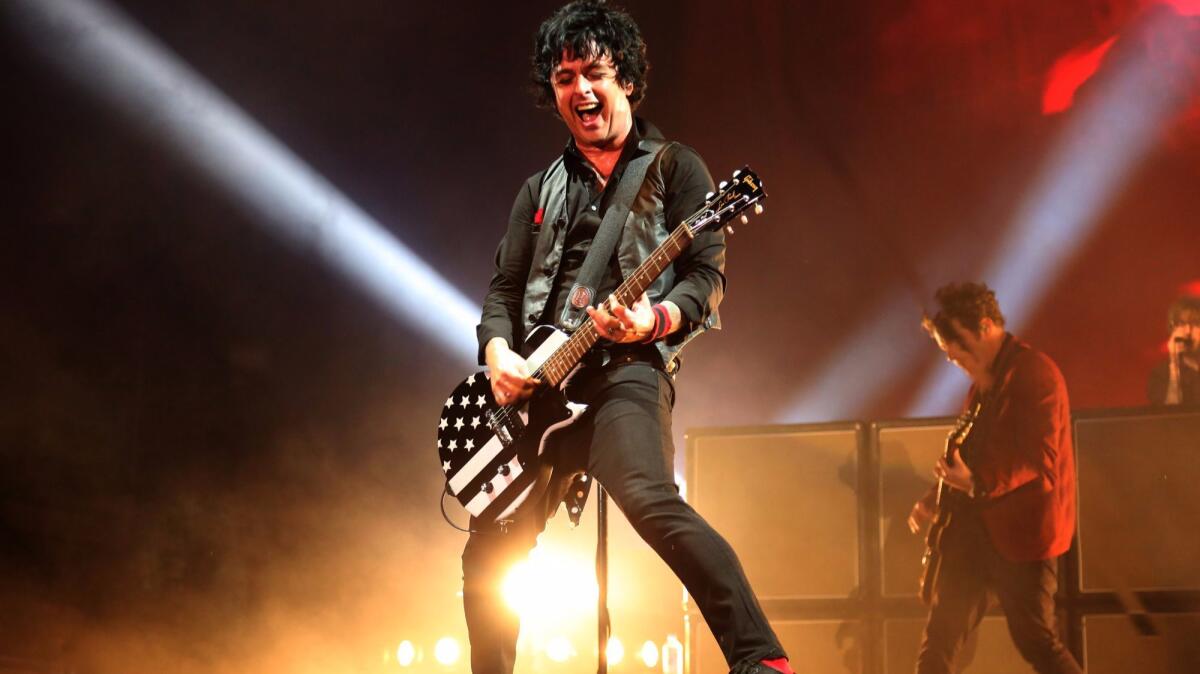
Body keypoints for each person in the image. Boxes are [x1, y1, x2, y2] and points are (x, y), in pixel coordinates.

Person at [464, 3, 792, 674]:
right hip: (537, 390)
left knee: (649, 497)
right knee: (486, 549)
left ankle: (760, 660)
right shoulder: (540, 189)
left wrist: (654, 321)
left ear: (628, 81)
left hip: (625, 375)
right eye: (564, 78)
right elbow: (503, 292)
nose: (579, 90)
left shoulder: (675, 169)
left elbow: (705, 278)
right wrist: (498, 355)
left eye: (593, 73)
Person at [906, 282, 1083, 674]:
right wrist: (935, 498)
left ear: (985, 326)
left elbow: (1039, 458)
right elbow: (969, 454)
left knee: (1036, 640)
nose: (950, 353)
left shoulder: (1036, 373)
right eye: (943, 344)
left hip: (1024, 536)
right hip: (973, 535)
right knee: (939, 640)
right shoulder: (983, 384)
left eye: (955, 341)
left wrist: (978, 483)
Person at [1147, 295, 1200, 405]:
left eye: (1195, 324)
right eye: (1181, 324)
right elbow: (1169, 416)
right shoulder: (1161, 374)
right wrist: (1174, 365)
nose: (1188, 331)